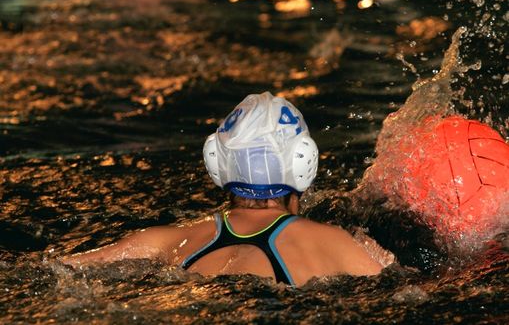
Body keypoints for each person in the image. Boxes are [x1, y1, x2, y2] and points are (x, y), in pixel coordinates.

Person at [62, 92, 385, 287]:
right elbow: (416, 289)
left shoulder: (163, 240)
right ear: (304, 163)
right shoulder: (337, 244)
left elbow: (62, 268)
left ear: (217, 161)